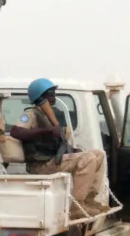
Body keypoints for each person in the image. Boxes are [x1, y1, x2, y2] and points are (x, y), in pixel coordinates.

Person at [10, 78, 109, 217]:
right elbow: (15, 131)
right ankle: (75, 205)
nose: (53, 97)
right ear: (42, 96)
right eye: (51, 94)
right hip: (41, 164)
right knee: (88, 159)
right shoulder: (31, 114)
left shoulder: (49, 115)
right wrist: (46, 131)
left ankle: (88, 200)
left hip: (52, 159)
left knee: (99, 154)